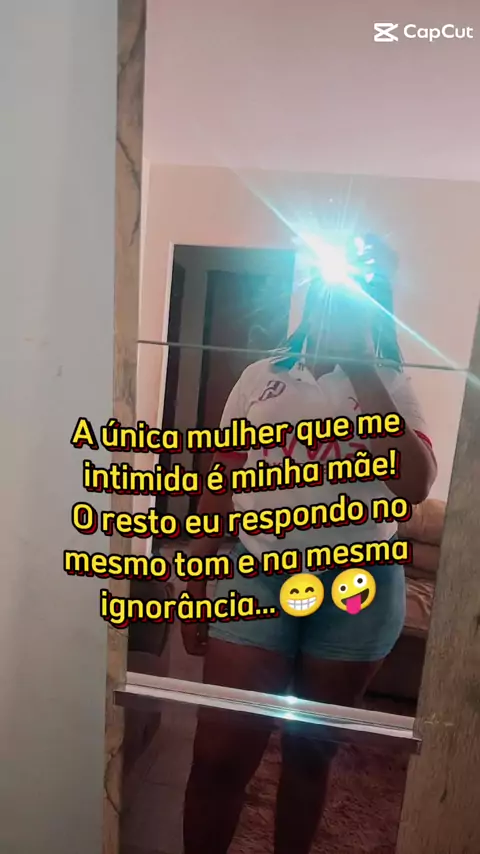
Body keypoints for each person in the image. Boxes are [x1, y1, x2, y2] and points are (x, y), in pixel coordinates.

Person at [181, 234, 437, 854]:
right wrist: (194, 582)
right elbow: (220, 481)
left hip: (357, 590)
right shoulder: (259, 378)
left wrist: (361, 368)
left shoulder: (393, 386)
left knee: (308, 753)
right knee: (217, 756)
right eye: (329, 289)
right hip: (256, 575)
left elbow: (414, 485)